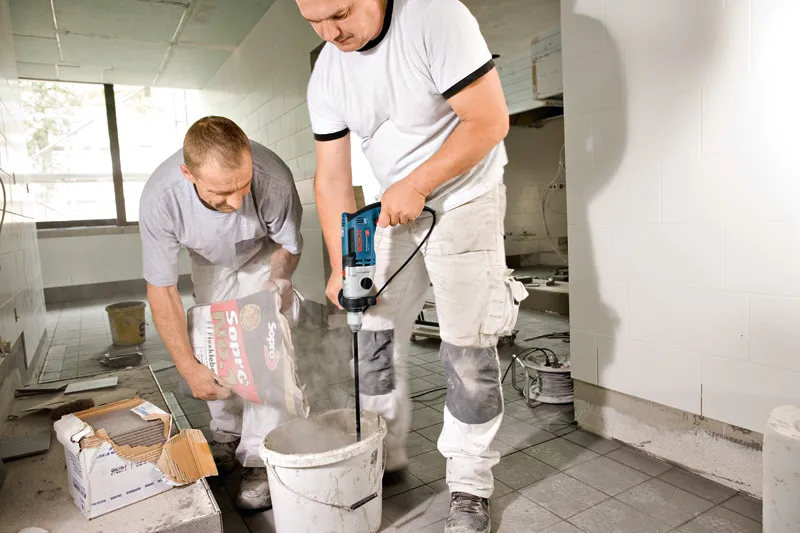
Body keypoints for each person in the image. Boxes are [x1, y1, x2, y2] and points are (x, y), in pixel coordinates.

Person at [299, 0, 519, 531]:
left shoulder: (434, 17)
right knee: (372, 336)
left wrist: (419, 183)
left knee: (467, 351)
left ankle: (469, 485)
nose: (329, 33)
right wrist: (341, 264)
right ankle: (384, 452)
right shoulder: (327, 71)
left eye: (340, 13)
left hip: (465, 198)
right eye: (313, 22)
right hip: (392, 208)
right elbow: (332, 178)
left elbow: (490, 120)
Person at [139, 116, 303, 510]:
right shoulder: (161, 198)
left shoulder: (273, 178)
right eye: (221, 193)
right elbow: (162, 290)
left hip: (263, 254)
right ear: (188, 175)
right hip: (208, 259)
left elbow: (289, 246)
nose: (236, 203)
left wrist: (277, 281)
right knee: (210, 340)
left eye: (243, 187)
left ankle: (260, 456)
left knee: (263, 346)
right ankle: (227, 435)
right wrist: (187, 367)